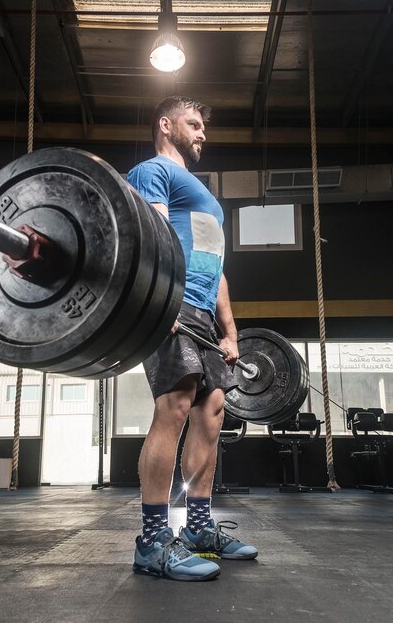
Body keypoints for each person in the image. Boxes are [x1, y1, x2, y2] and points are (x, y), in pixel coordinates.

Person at [126, 96, 258, 581]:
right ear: (166, 124)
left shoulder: (203, 197)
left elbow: (216, 266)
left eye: (203, 126)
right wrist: (159, 302)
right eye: (194, 124)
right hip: (172, 303)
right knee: (177, 405)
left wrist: (231, 330)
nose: (202, 133)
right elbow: (151, 239)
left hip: (204, 309)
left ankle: (199, 528)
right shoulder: (152, 172)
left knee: (212, 410)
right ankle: (153, 542)